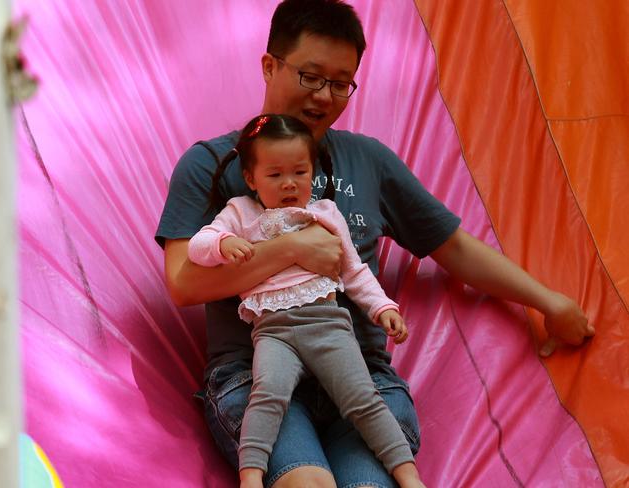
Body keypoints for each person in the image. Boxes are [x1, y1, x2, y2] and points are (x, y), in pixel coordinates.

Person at [155, 1, 595, 486]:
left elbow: (455, 249)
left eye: (340, 83)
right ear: (269, 65)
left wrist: (546, 302)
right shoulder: (211, 164)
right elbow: (182, 283)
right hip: (260, 375)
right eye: (310, 76)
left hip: (359, 375)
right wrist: (293, 249)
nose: (324, 96)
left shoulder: (369, 161)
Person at [188, 114, 424, 488]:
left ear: (312, 174)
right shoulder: (240, 212)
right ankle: (251, 475)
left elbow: (355, 270)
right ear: (251, 179)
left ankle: (408, 475)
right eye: (275, 175)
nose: (288, 184)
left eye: (299, 172)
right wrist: (222, 243)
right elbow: (198, 246)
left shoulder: (325, 212)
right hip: (274, 332)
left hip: (327, 325)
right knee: (267, 395)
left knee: (362, 398)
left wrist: (383, 308)